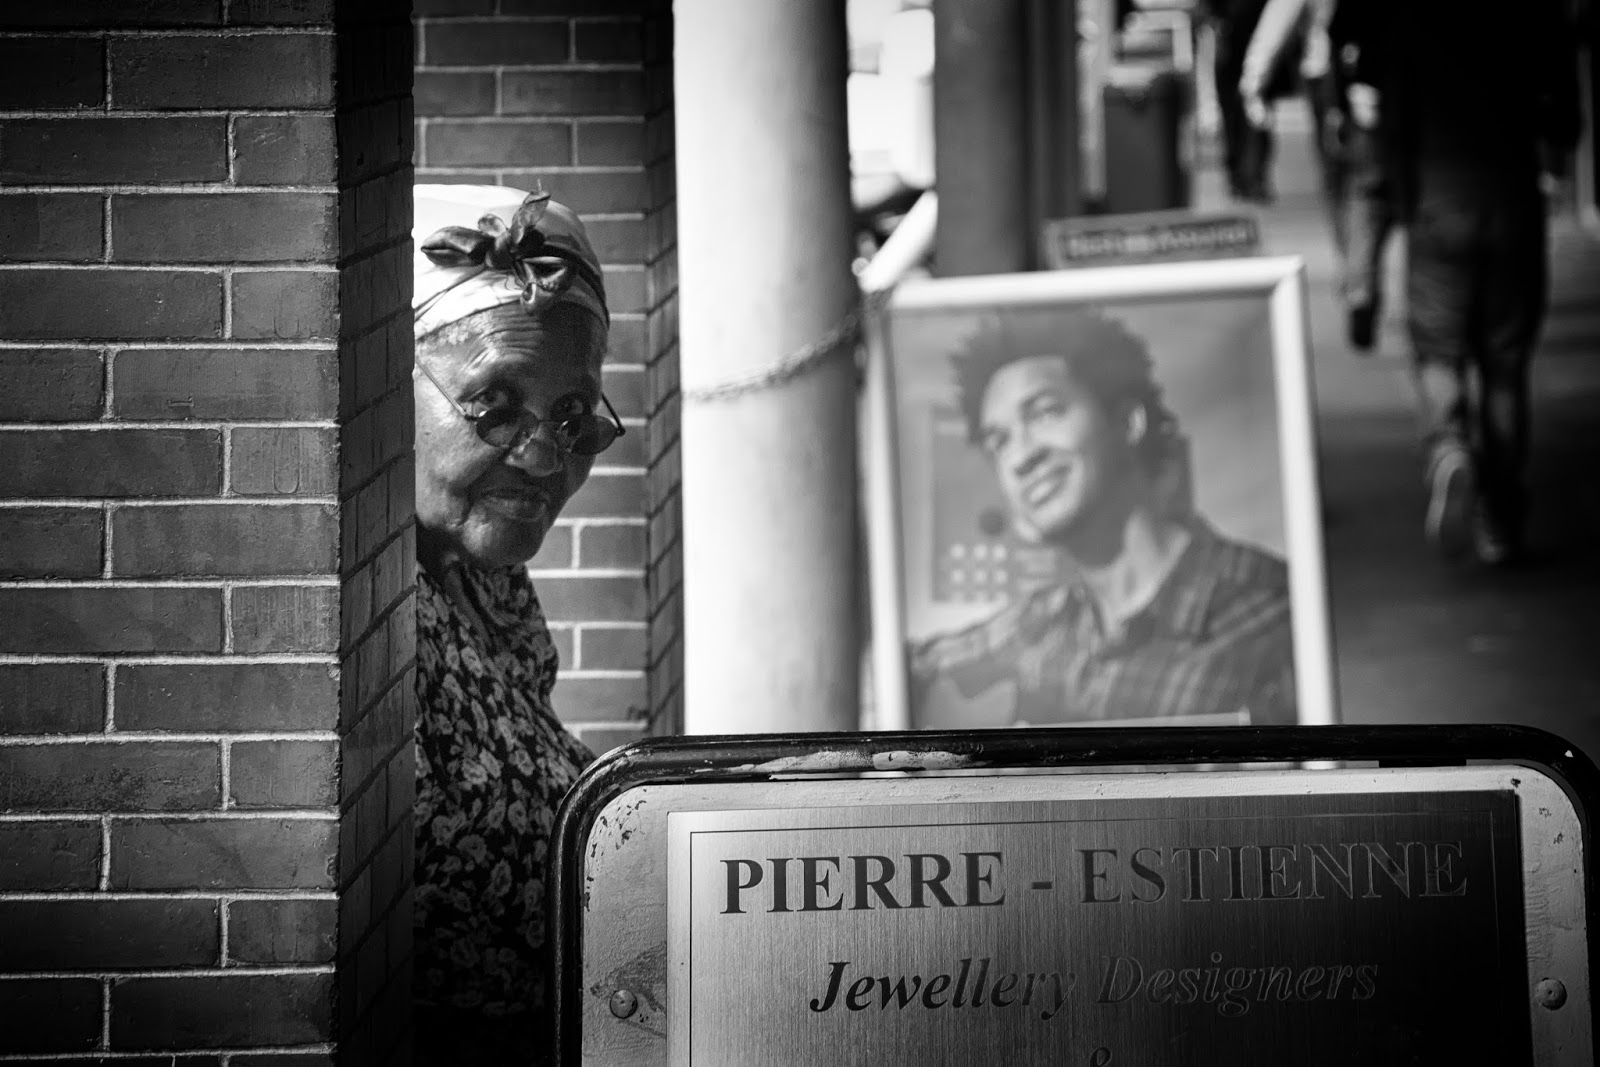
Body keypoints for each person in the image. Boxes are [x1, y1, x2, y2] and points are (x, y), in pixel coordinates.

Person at [409, 184, 623, 1062]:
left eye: (572, 415)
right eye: (493, 402)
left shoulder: (482, 576)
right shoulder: (358, 632)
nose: (541, 456)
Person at [909, 310, 1298, 728]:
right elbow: (910, 665)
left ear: (1127, 423)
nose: (1021, 457)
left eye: (1045, 413)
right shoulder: (1045, 621)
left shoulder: (1272, 615)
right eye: (999, 441)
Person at [1370, 0, 1581, 564]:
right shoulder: (1531, 14)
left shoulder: (1412, 19)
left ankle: (1448, 447)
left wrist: (1403, 206)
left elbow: (1393, 128)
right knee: (1506, 370)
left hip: (1438, 206)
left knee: (1438, 354)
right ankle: (1500, 519)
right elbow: (1565, 121)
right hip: (1512, 204)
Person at [1239, 0, 1395, 351]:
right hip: (1366, 78)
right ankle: (1359, 276)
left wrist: (1254, 79)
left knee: (1347, 185)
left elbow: (1280, 16)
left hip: (1331, 79)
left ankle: (1356, 279)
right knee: (1366, 184)